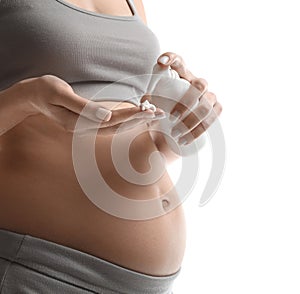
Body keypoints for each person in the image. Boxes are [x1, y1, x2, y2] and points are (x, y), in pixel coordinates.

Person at [0, 0, 222, 293]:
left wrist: (180, 126)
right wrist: (25, 98)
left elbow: (133, 138)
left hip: (141, 284)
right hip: (39, 266)